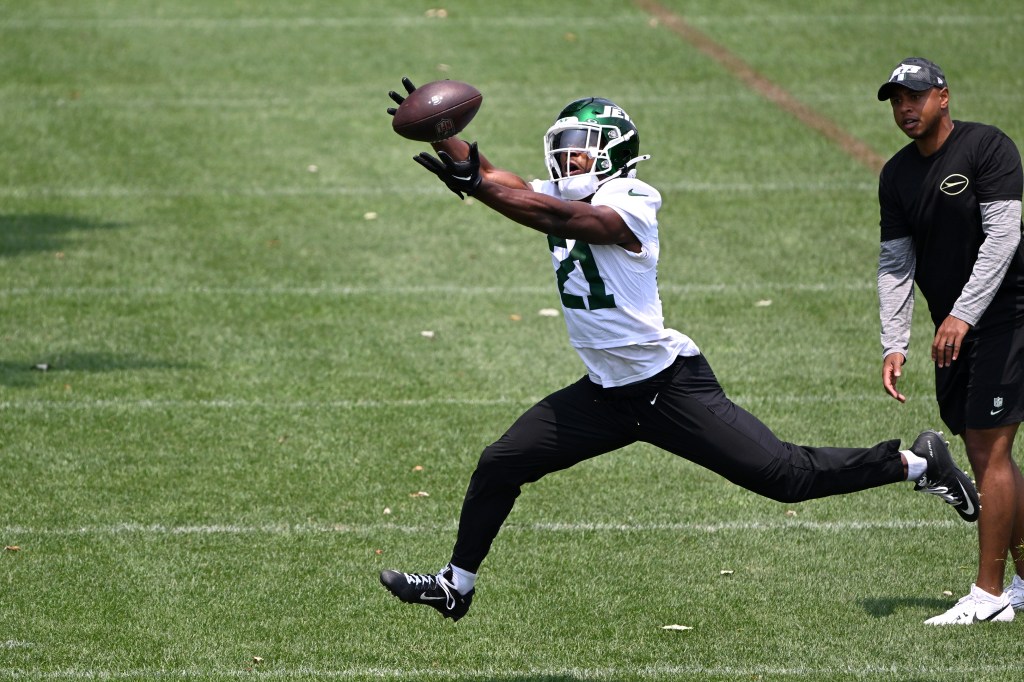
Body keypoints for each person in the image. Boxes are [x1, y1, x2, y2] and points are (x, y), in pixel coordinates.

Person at [378, 77, 979, 623]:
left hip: (668, 387)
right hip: (605, 393)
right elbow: (514, 185)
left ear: (612, 151)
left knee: (785, 478)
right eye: (560, 149)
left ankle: (919, 463)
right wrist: (452, 140)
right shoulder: (555, 191)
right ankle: (456, 586)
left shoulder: (635, 200)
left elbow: (555, 215)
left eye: (579, 149)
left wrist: (477, 185)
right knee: (500, 462)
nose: (566, 161)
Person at [876, 57, 1024, 625]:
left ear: (944, 96)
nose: (904, 108)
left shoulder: (989, 148)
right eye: (895, 100)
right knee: (986, 451)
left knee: (991, 449)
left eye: (914, 96)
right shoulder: (896, 175)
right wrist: (895, 340)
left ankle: (988, 599)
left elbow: (1004, 237)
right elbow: (895, 264)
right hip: (952, 327)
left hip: (1006, 314)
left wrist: (962, 313)